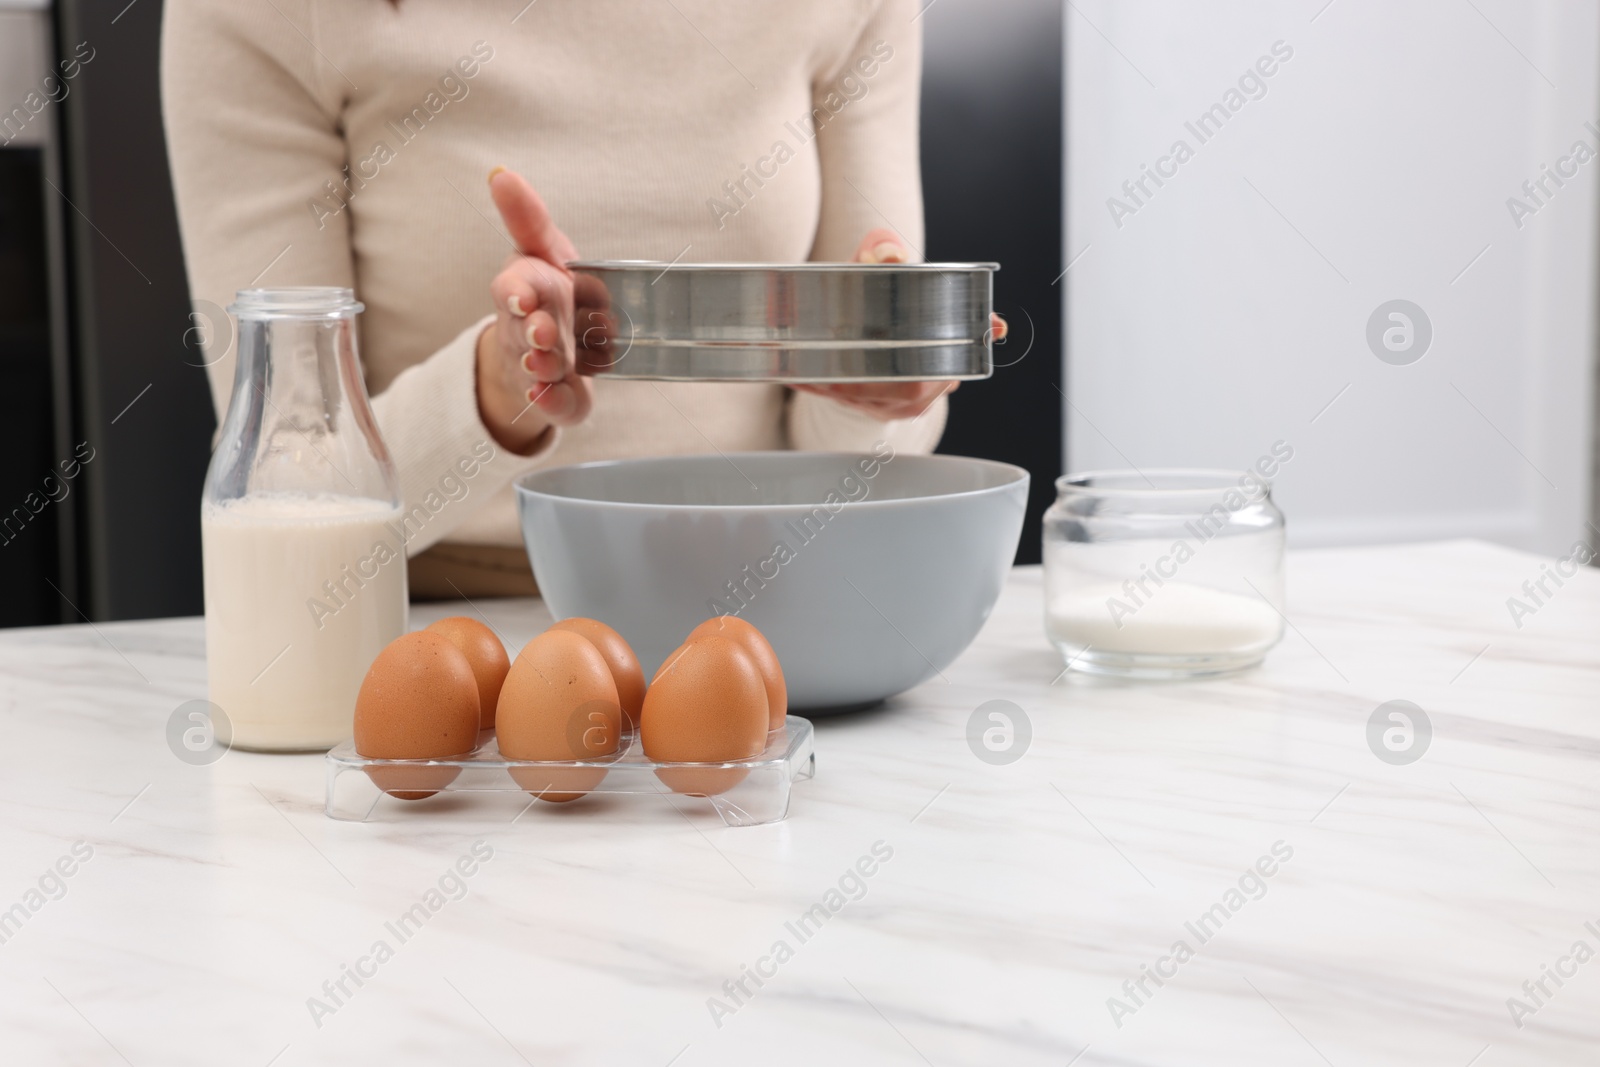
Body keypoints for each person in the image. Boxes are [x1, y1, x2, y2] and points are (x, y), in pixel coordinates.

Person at [163, 0, 1000, 596]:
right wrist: (492, 397)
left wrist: (872, 394)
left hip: (770, 595)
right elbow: (284, 483)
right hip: (434, 618)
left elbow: (867, 450)